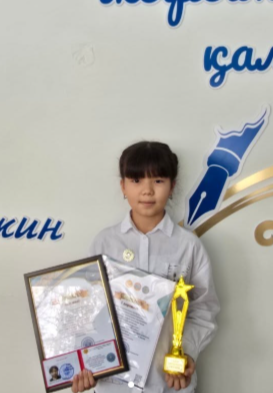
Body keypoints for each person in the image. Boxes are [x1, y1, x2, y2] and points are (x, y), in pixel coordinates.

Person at [72, 142, 220, 393]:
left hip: (168, 383)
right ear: (123, 186)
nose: (147, 190)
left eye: (158, 181)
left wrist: (185, 354)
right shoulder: (104, 243)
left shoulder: (188, 246)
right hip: (113, 385)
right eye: (136, 180)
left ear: (172, 186)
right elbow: (86, 308)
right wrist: (85, 364)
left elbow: (204, 310)